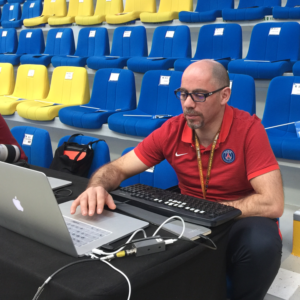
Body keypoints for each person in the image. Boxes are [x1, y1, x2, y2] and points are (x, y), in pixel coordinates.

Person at [71, 60, 284, 300]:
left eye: (200, 95)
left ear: (225, 95)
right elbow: (118, 169)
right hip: (190, 213)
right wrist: (96, 186)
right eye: (183, 94)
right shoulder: (172, 129)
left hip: (238, 216)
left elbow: (272, 202)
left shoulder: (249, 130)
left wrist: (213, 211)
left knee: (261, 246)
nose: (188, 104)